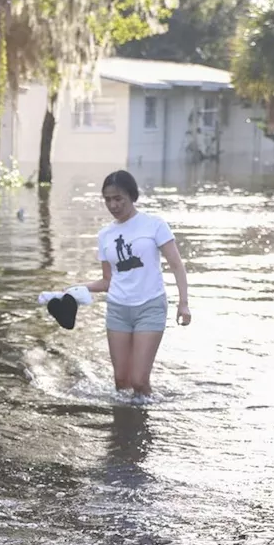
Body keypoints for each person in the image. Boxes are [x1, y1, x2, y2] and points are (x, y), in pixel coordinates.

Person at [72, 170, 191, 397]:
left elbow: (177, 264)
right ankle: (125, 428)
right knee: (121, 381)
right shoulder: (105, 234)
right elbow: (108, 281)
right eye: (107, 199)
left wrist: (183, 303)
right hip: (118, 309)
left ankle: (144, 425)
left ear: (132, 196)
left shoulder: (154, 224)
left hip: (150, 306)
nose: (113, 205)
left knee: (138, 381)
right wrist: (76, 288)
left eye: (118, 198)